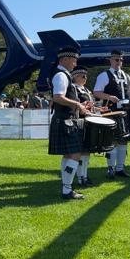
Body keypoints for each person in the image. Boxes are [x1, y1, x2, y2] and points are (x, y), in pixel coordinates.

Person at [48, 47, 89, 200]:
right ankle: (67, 189)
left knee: (68, 155)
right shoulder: (61, 75)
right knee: (75, 154)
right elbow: (58, 97)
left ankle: (66, 188)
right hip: (65, 120)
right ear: (64, 59)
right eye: (73, 60)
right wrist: (77, 104)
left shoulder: (64, 75)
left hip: (65, 120)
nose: (75, 63)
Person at [93, 49, 130, 178]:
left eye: (121, 60)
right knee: (112, 140)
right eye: (117, 60)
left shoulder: (126, 76)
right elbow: (96, 92)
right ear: (111, 60)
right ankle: (111, 169)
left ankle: (120, 168)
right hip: (111, 111)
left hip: (125, 111)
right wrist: (109, 97)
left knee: (124, 140)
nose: (119, 62)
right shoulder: (104, 75)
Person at [71, 67, 98, 188]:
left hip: (89, 121)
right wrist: (85, 107)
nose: (85, 78)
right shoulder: (73, 89)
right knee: (81, 152)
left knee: (87, 152)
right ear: (75, 76)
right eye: (83, 76)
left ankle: (85, 176)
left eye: (86, 76)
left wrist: (98, 109)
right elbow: (75, 106)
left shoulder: (86, 89)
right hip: (80, 121)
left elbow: (89, 106)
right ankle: (80, 177)